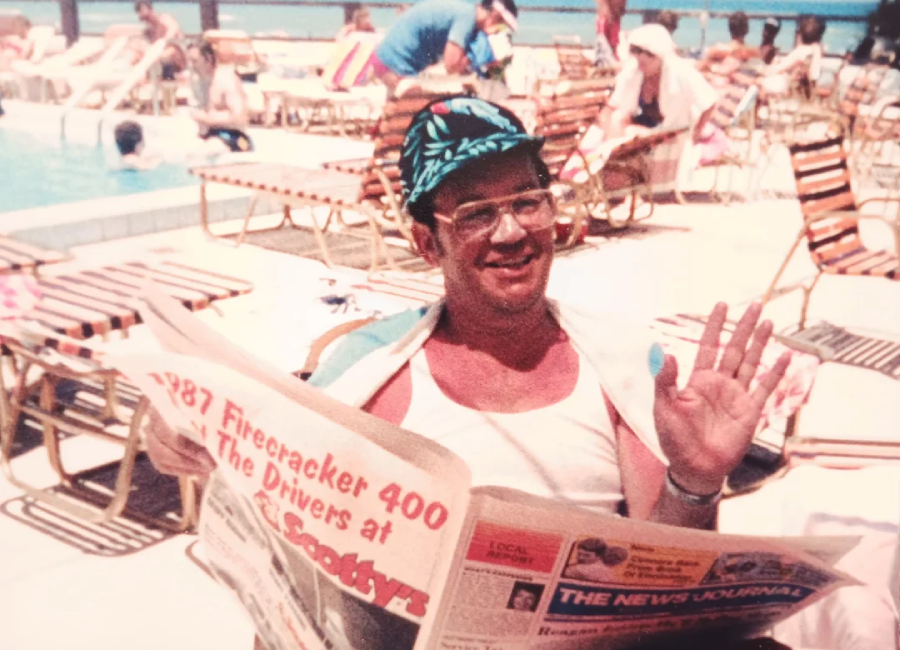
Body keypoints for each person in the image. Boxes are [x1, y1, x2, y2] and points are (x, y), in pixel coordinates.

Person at [145, 95, 790, 532]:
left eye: (528, 201)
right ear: (428, 242)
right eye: (476, 213)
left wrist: (698, 482)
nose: (511, 233)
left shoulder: (623, 369)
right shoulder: (370, 368)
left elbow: (666, 573)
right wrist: (174, 433)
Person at [370, 0, 518, 92]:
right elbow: (451, 65)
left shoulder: (467, 17)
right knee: (412, 115)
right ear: (495, 16)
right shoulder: (466, 18)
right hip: (396, 63)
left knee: (399, 116)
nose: (500, 32)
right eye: (502, 26)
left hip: (388, 59)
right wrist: (470, 61)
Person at [603, 24, 719, 145]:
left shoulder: (680, 72)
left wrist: (697, 133)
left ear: (661, 55)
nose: (641, 57)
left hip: (671, 135)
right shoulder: (633, 71)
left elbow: (710, 101)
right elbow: (616, 105)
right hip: (641, 134)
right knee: (617, 118)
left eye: (649, 53)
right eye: (636, 50)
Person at [187, 41, 253, 155]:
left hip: (234, 138)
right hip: (211, 136)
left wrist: (207, 119)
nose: (191, 66)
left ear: (208, 59)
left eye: (195, 61)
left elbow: (239, 116)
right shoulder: (201, 82)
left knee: (197, 154)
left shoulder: (226, 79)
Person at [763, 15, 826, 98]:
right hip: (801, 91)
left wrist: (766, 69)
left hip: (786, 87)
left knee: (757, 80)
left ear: (801, 34)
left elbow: (776, 70)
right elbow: (814, 75)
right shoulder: (816, 50)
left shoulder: (800, 52)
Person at [699, 11, 760, 82]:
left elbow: (700, 67)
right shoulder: (753, 53)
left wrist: (711, 68)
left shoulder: (718, 49)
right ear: (747, 30)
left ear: (729, 29)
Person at [135, 0, 186, 80]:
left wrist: (163, 42)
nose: (147, 21)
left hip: (176, 56)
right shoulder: (148, 32)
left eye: (147, 17)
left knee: (165, 54)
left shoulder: (164, 19)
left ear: (151, 10)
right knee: (140, 57)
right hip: (160, 60)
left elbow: (174, 29)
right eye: (144, 19)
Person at [591, 0, 636, 68]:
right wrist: (605, 7)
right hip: (608, 18)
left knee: (612, 45)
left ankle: (608, 68)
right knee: (605, 46)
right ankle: (605, 69)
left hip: (614, 17)